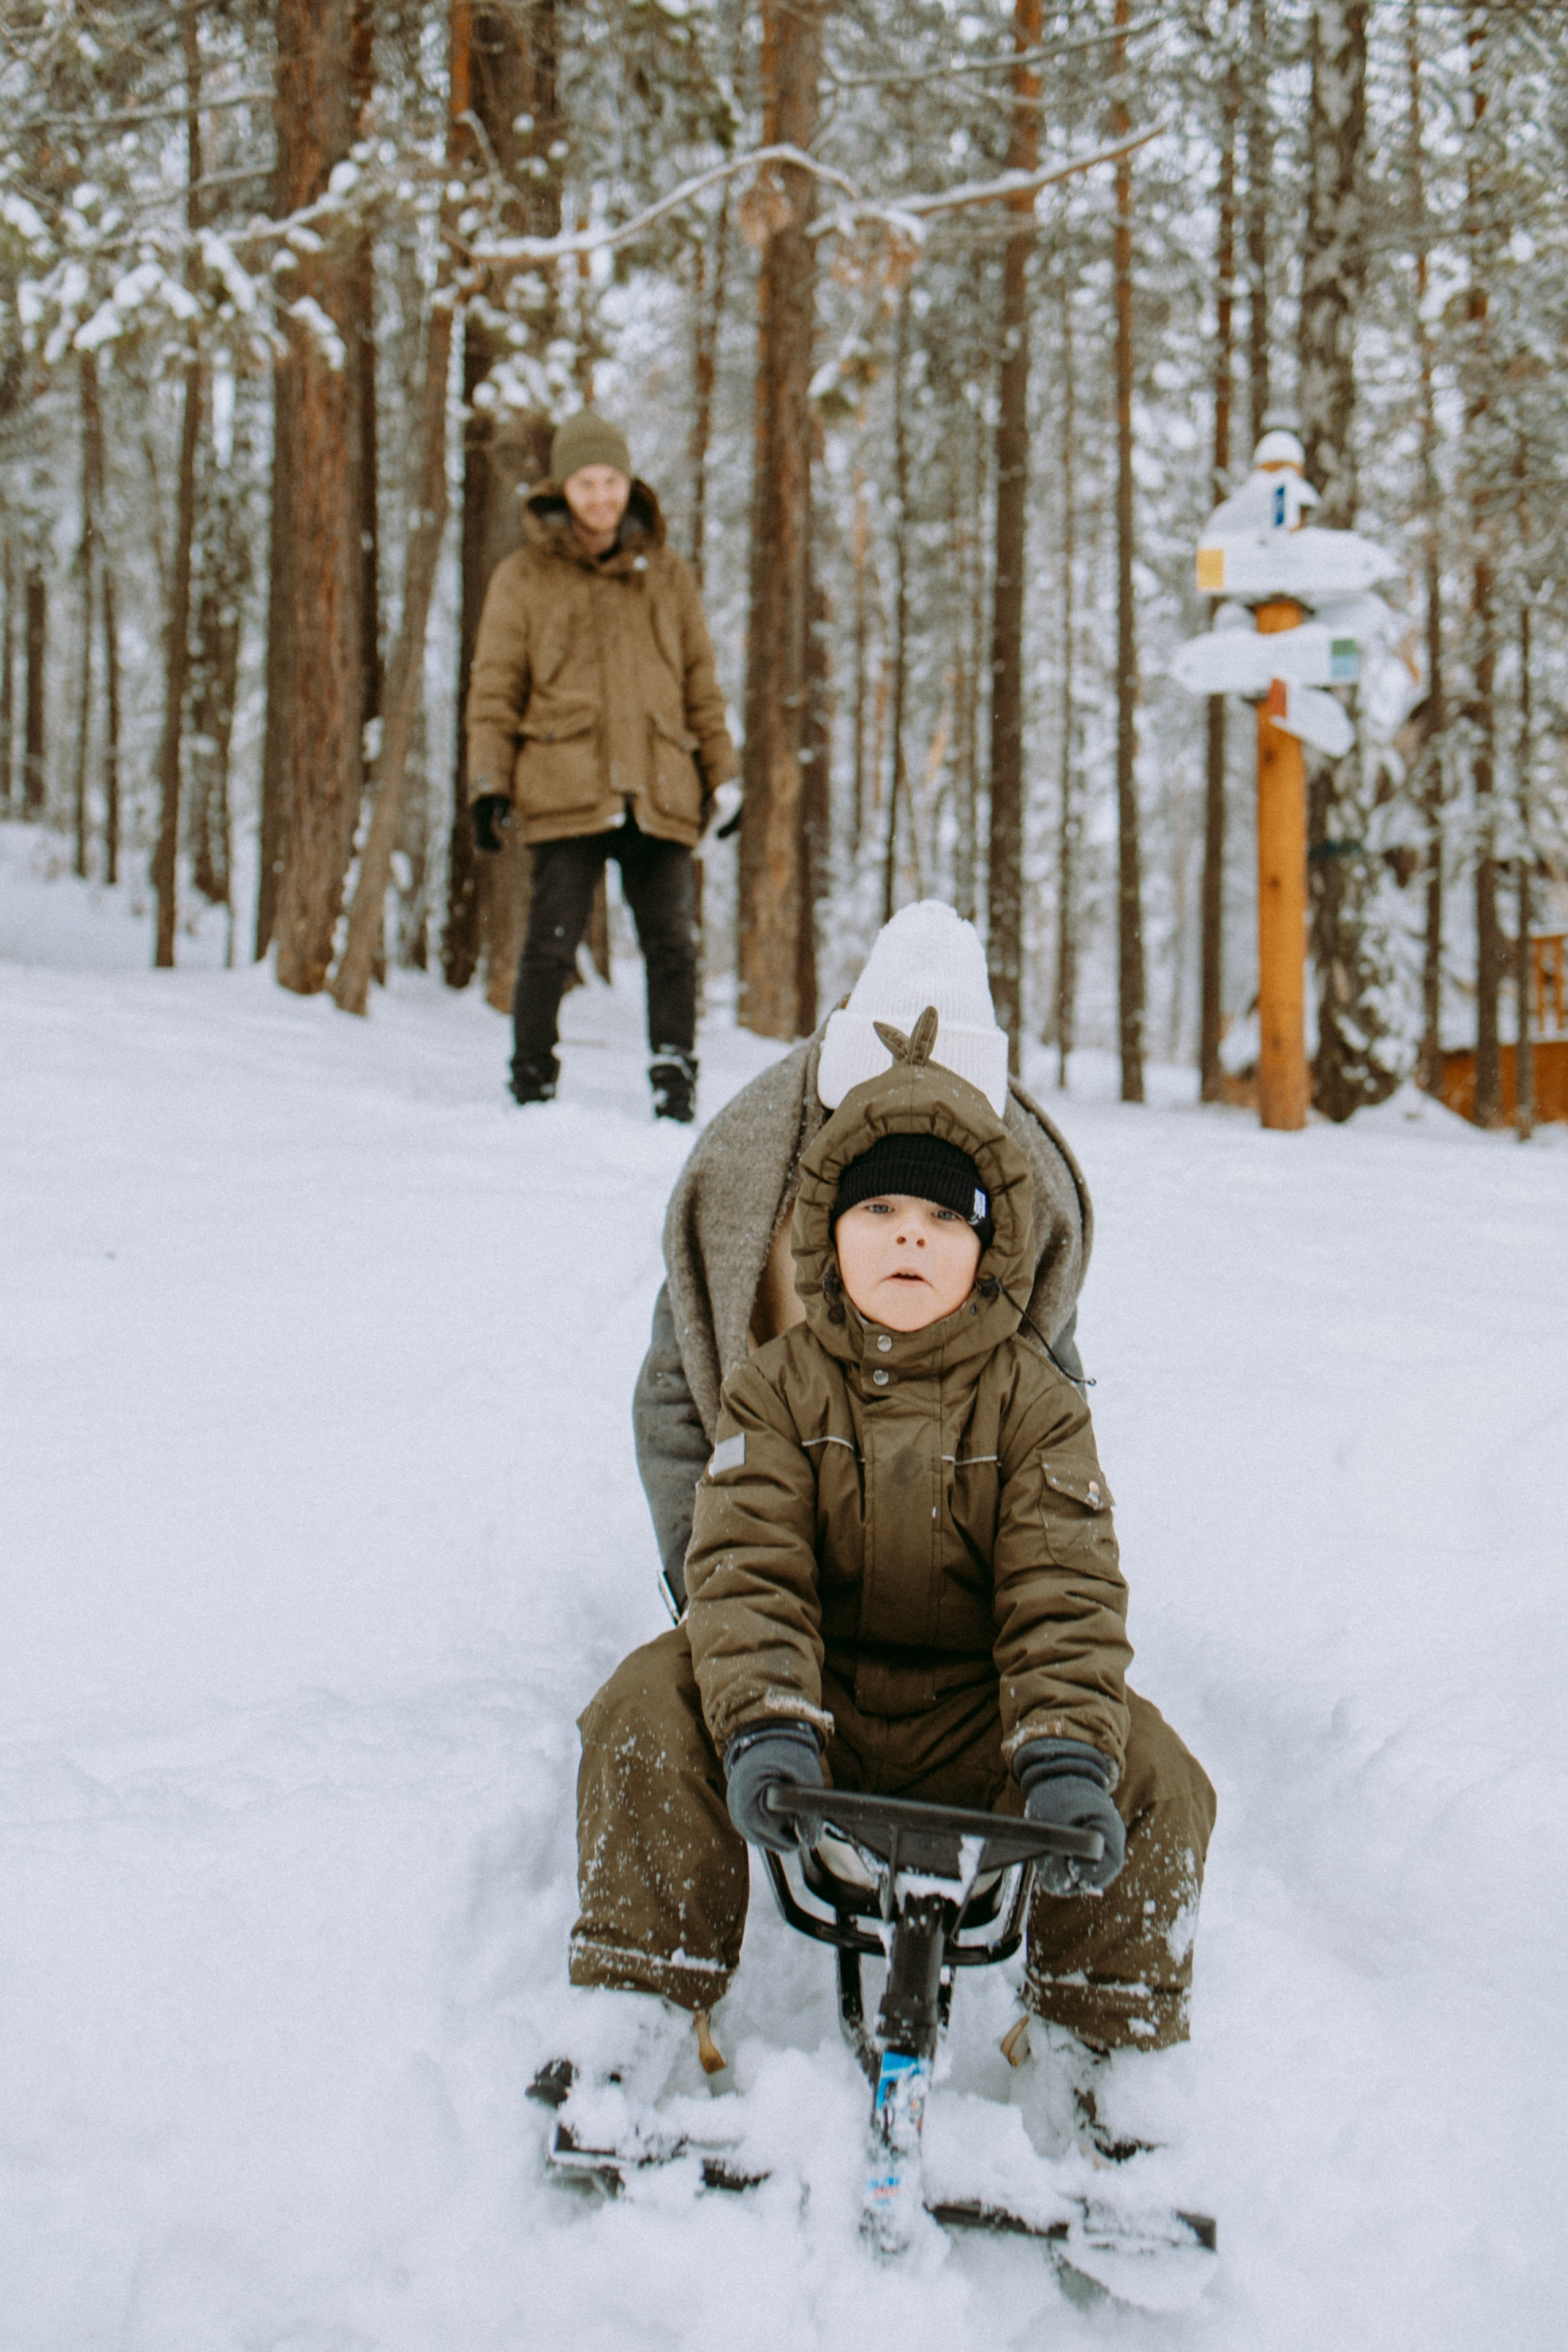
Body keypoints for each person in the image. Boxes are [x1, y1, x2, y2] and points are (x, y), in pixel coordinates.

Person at [571, 929, 1216, 2136]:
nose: (908, 1237)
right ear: (824, 1238)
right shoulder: (774, 1391)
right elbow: (747, 1562)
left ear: (987, 1251)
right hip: (806, 1697)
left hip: (979, 1709)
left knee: (1159, 1779)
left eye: (940, 1217)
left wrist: (1068, 1750)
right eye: (877, 1213)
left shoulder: (1033, 1402)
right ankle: (644, 2002)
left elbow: (1062, 1588)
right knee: (640, 1715)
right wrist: (760, 1719)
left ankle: (1098, 2037)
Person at [465, 411, 738, 1120]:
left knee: (672, 945)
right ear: (564, 486)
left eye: (611, 480)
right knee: (550, 943)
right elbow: (495, 688)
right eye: (586, 482)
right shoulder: (522, 577)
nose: (600, 495)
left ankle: (673, 1084)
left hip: (659, 785)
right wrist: (488, 783)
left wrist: (723, 772)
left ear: (628, 484)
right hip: (565, 784)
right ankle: (532, 1081)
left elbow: (699, 681)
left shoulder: (666, 574)